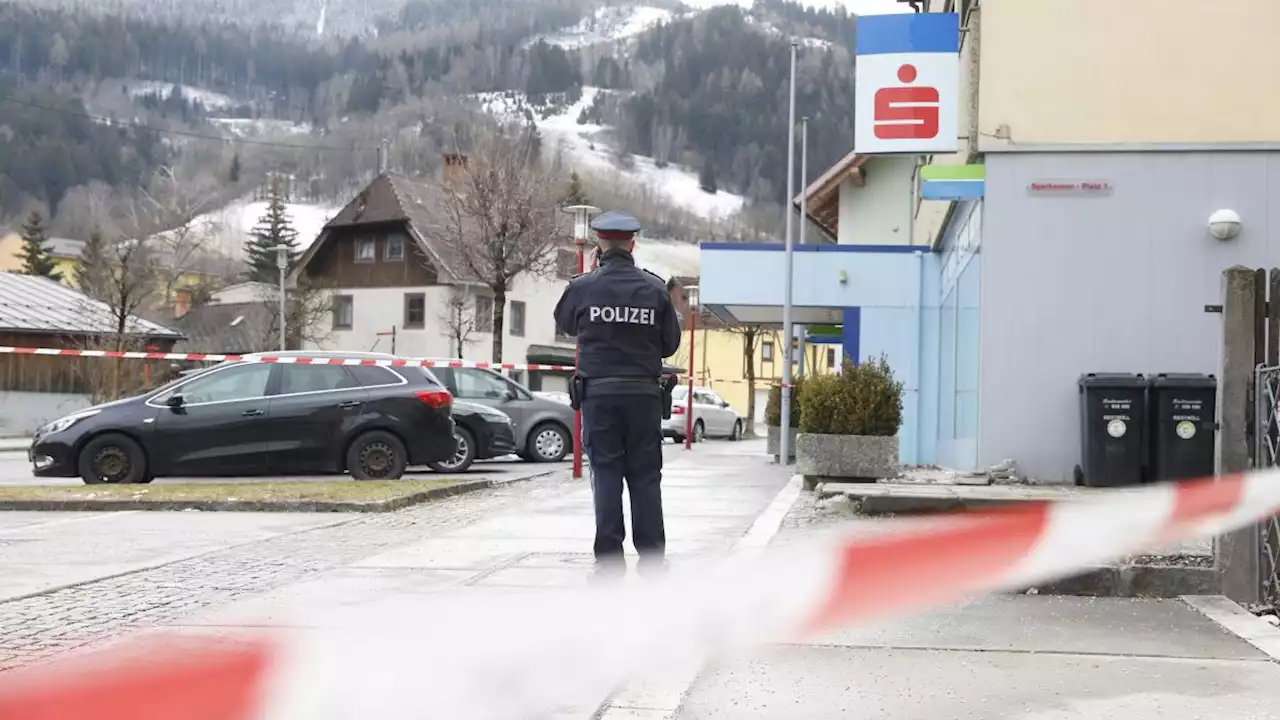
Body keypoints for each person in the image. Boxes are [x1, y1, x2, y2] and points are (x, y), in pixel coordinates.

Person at [554, 210, 682, 578]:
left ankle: (609, 558)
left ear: (598, 244)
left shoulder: (582, 287)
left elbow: (564, 323)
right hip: (643, 396)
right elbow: (670, 344)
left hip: (599, 396)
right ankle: (653, 556)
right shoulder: (655, 288)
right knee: (645, 475)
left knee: (606, 472)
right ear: (633, 244)